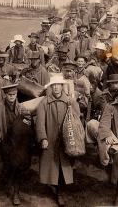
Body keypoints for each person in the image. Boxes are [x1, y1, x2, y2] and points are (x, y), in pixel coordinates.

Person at [35, 74, 80, 206]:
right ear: (51, 87)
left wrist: (76, 136)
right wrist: (43, 137)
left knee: (66, 163)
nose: (56, 88)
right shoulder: (44, 103)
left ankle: (62, 187)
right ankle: (57, 189)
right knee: (53, 165)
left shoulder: (70, 102)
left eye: (58, 85)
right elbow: (40, 123)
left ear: (62, 86)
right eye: (53, 85)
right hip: (51, 138)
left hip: (67, 138)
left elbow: (77, 120)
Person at [0, 83, 33, 205]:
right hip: (5, 141)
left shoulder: (22, 108)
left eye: (14, 94)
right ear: (5, 95)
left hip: (18, 143)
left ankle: (16, 192)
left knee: (17, 166)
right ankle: (6, 176)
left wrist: (27, 120)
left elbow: (29, 124)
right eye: (9, 95)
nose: (12, 97)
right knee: (8, 163)